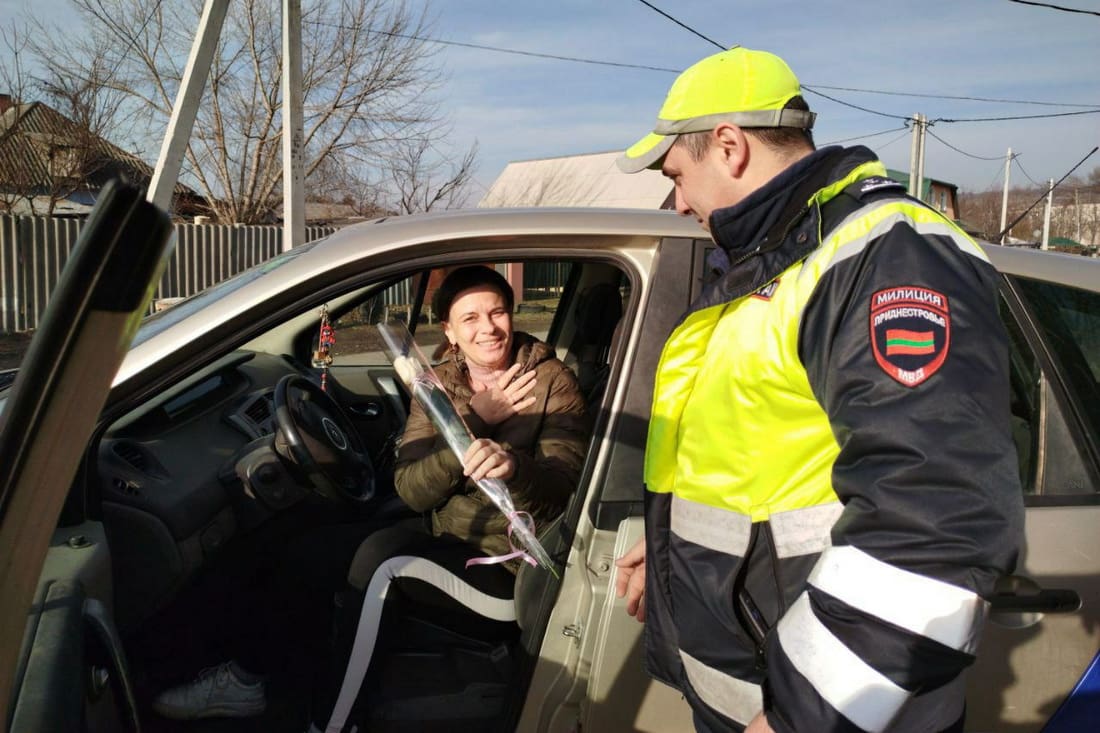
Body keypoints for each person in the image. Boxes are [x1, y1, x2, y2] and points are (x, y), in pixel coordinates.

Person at [611, 47, 1024, 733]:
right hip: (754, 699)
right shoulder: (771, 260)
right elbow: (756, 472)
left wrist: (798, 719)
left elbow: (936, 522)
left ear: (729, 146)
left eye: (676, 176)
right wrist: (673, 557)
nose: (677, 202)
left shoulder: (887, 256)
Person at [307, 265, 591, 733]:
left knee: (382, 561)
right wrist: (475, 420)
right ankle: (255, 677)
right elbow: (412, 490)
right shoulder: (438, 382)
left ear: (512, 315)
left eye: (497, 313)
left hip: (507, 564)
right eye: (470, 318)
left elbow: (563, 490)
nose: (488, 328)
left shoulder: (552, 382)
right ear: (450, 332)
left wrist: (514, 466)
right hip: (444, 532)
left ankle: (334, 724)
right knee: (308, 548)